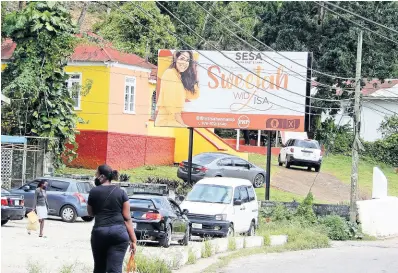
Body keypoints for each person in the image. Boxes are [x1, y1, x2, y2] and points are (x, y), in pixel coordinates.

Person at [87, 165, 137, 273]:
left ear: (102, 176)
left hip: (100, 233)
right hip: (118, 234)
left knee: (99, 268)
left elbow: (90, 213)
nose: (95, 176)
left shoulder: (94, 192)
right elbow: (127, 218)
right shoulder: (121, 192)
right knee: (115, 269)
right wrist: (133, 240)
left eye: (97, 174)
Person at [155, 50, 200, 127]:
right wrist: (182, 123)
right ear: (176, 59)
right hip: (166, 121)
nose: (184, 63)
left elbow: (194, 95)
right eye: (182, 58)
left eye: (187, 60)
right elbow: (171, 104)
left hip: (173, 121)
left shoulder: (179, 78)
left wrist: (194, 72)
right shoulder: (170, 73)